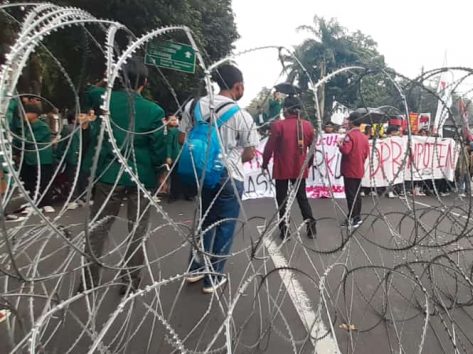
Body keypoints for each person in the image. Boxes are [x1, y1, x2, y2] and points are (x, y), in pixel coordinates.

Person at [78, 59, 166, 296]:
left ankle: (88, 280)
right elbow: (158, 149)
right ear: (145, 83)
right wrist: (160, 170)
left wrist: (107, 82)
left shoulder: (104, 100)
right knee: (137, 229)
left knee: (98, 228)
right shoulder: (154, 111)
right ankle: (129, 280)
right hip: (141, 176)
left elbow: (90, 91)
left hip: (109, 174)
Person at [179, 64, 259, 293]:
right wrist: (229, 159)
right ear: (238, 86)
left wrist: (205, 154)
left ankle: (195, 269)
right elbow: (251, 152)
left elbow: (182, 139)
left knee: (204, 222)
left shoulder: (193, 106)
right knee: (224, 226)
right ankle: (213, 277)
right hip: (229, 176)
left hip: (201, 174)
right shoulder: (242, 116)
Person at [262, 95, 317, 240]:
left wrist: (264, 163)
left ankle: (284, 229)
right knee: (302, 198)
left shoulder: (278, 125)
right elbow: (312, 149)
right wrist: (308, 165)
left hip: (282, 169)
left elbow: (269, 148)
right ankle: (311, 227)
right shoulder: (307, 125)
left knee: (282, 200)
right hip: (300, 169)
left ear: (286, 109)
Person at [18, 100, 56, 213]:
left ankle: (45, 203)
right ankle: (34, 202)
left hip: (42, 160)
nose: (23, 116)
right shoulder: (27, 126)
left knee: (43, 181)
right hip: (29, 159)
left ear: (34, 114)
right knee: (29, 180)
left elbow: (30, 141)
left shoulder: (42, 127)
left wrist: (18, 139)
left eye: (26, 113)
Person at [338, 115, 369, 230]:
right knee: (357, 194)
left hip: (349, 169)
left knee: (351, 195)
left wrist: (340, 145)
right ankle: (356, 216)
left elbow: (346, 150)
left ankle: (353, 217)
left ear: (351, 122)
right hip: (359, 168)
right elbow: (366, 154)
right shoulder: (364, 137)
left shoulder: (349, 135)